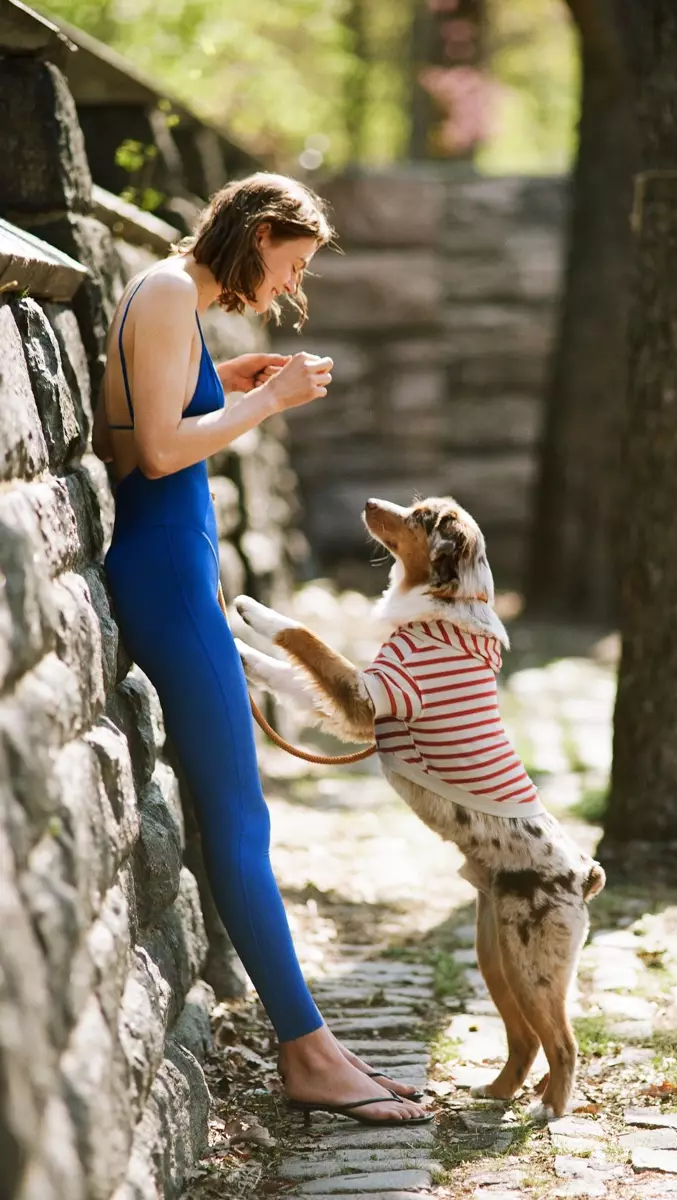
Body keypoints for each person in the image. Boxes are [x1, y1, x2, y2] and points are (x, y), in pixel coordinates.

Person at [92, 172, 431, 1127]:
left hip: (174, 568)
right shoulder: (165, 293)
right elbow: (155, 456)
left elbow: (134, 431)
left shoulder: (172, 296)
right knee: (242, 824)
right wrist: (269, 402)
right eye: (292, 263)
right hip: (162, 573)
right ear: (261, 231)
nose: (289, 287)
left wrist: (226, 385)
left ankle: (314, 1044)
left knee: (242, 820)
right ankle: (309, 1054)